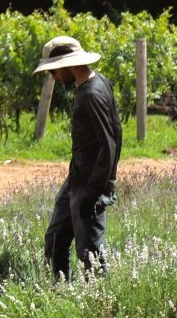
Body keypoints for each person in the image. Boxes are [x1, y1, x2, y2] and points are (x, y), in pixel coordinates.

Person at [33, 35, 122, 281]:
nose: (53, 77)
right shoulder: (94, 84)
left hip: (89, 186)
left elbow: (109, 144)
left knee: (90, 253)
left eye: (53, 71)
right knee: (55, 240)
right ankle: (60, 291)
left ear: (66, 65)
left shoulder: (92, 95)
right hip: (76, 179)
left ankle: (100, 304)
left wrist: (94, 192)